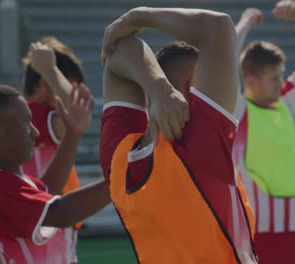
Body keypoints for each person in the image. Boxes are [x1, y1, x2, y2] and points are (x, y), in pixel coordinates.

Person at [100, 7, 256, 263]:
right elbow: (219, 26)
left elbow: (117, 54)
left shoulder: (119, 164)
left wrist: (158, 89)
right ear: (193, 86)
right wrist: (138, 16)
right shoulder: (204, 141)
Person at [0, 84, 110, 264]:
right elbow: (61, 213)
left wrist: (73, 134)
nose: (35, 132)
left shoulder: (5, 181)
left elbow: (47, 190)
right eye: (25, 122)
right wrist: (120, 179)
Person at [233, 1, 295, 263]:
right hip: (254, 238)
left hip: (293, 234)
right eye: (274, 77)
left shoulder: (284, 103)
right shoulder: (237, 110)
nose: (281, 82)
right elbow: (226, 62)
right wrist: (245, 22)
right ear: (250, 79)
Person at [20, 37, 87, 263]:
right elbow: (77, 114)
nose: (71, 92)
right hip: (45, 231)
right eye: (64, 84)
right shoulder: (31, 116)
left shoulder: (33, 118)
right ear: (44, 83)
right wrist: (49, 68)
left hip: (49, 228)